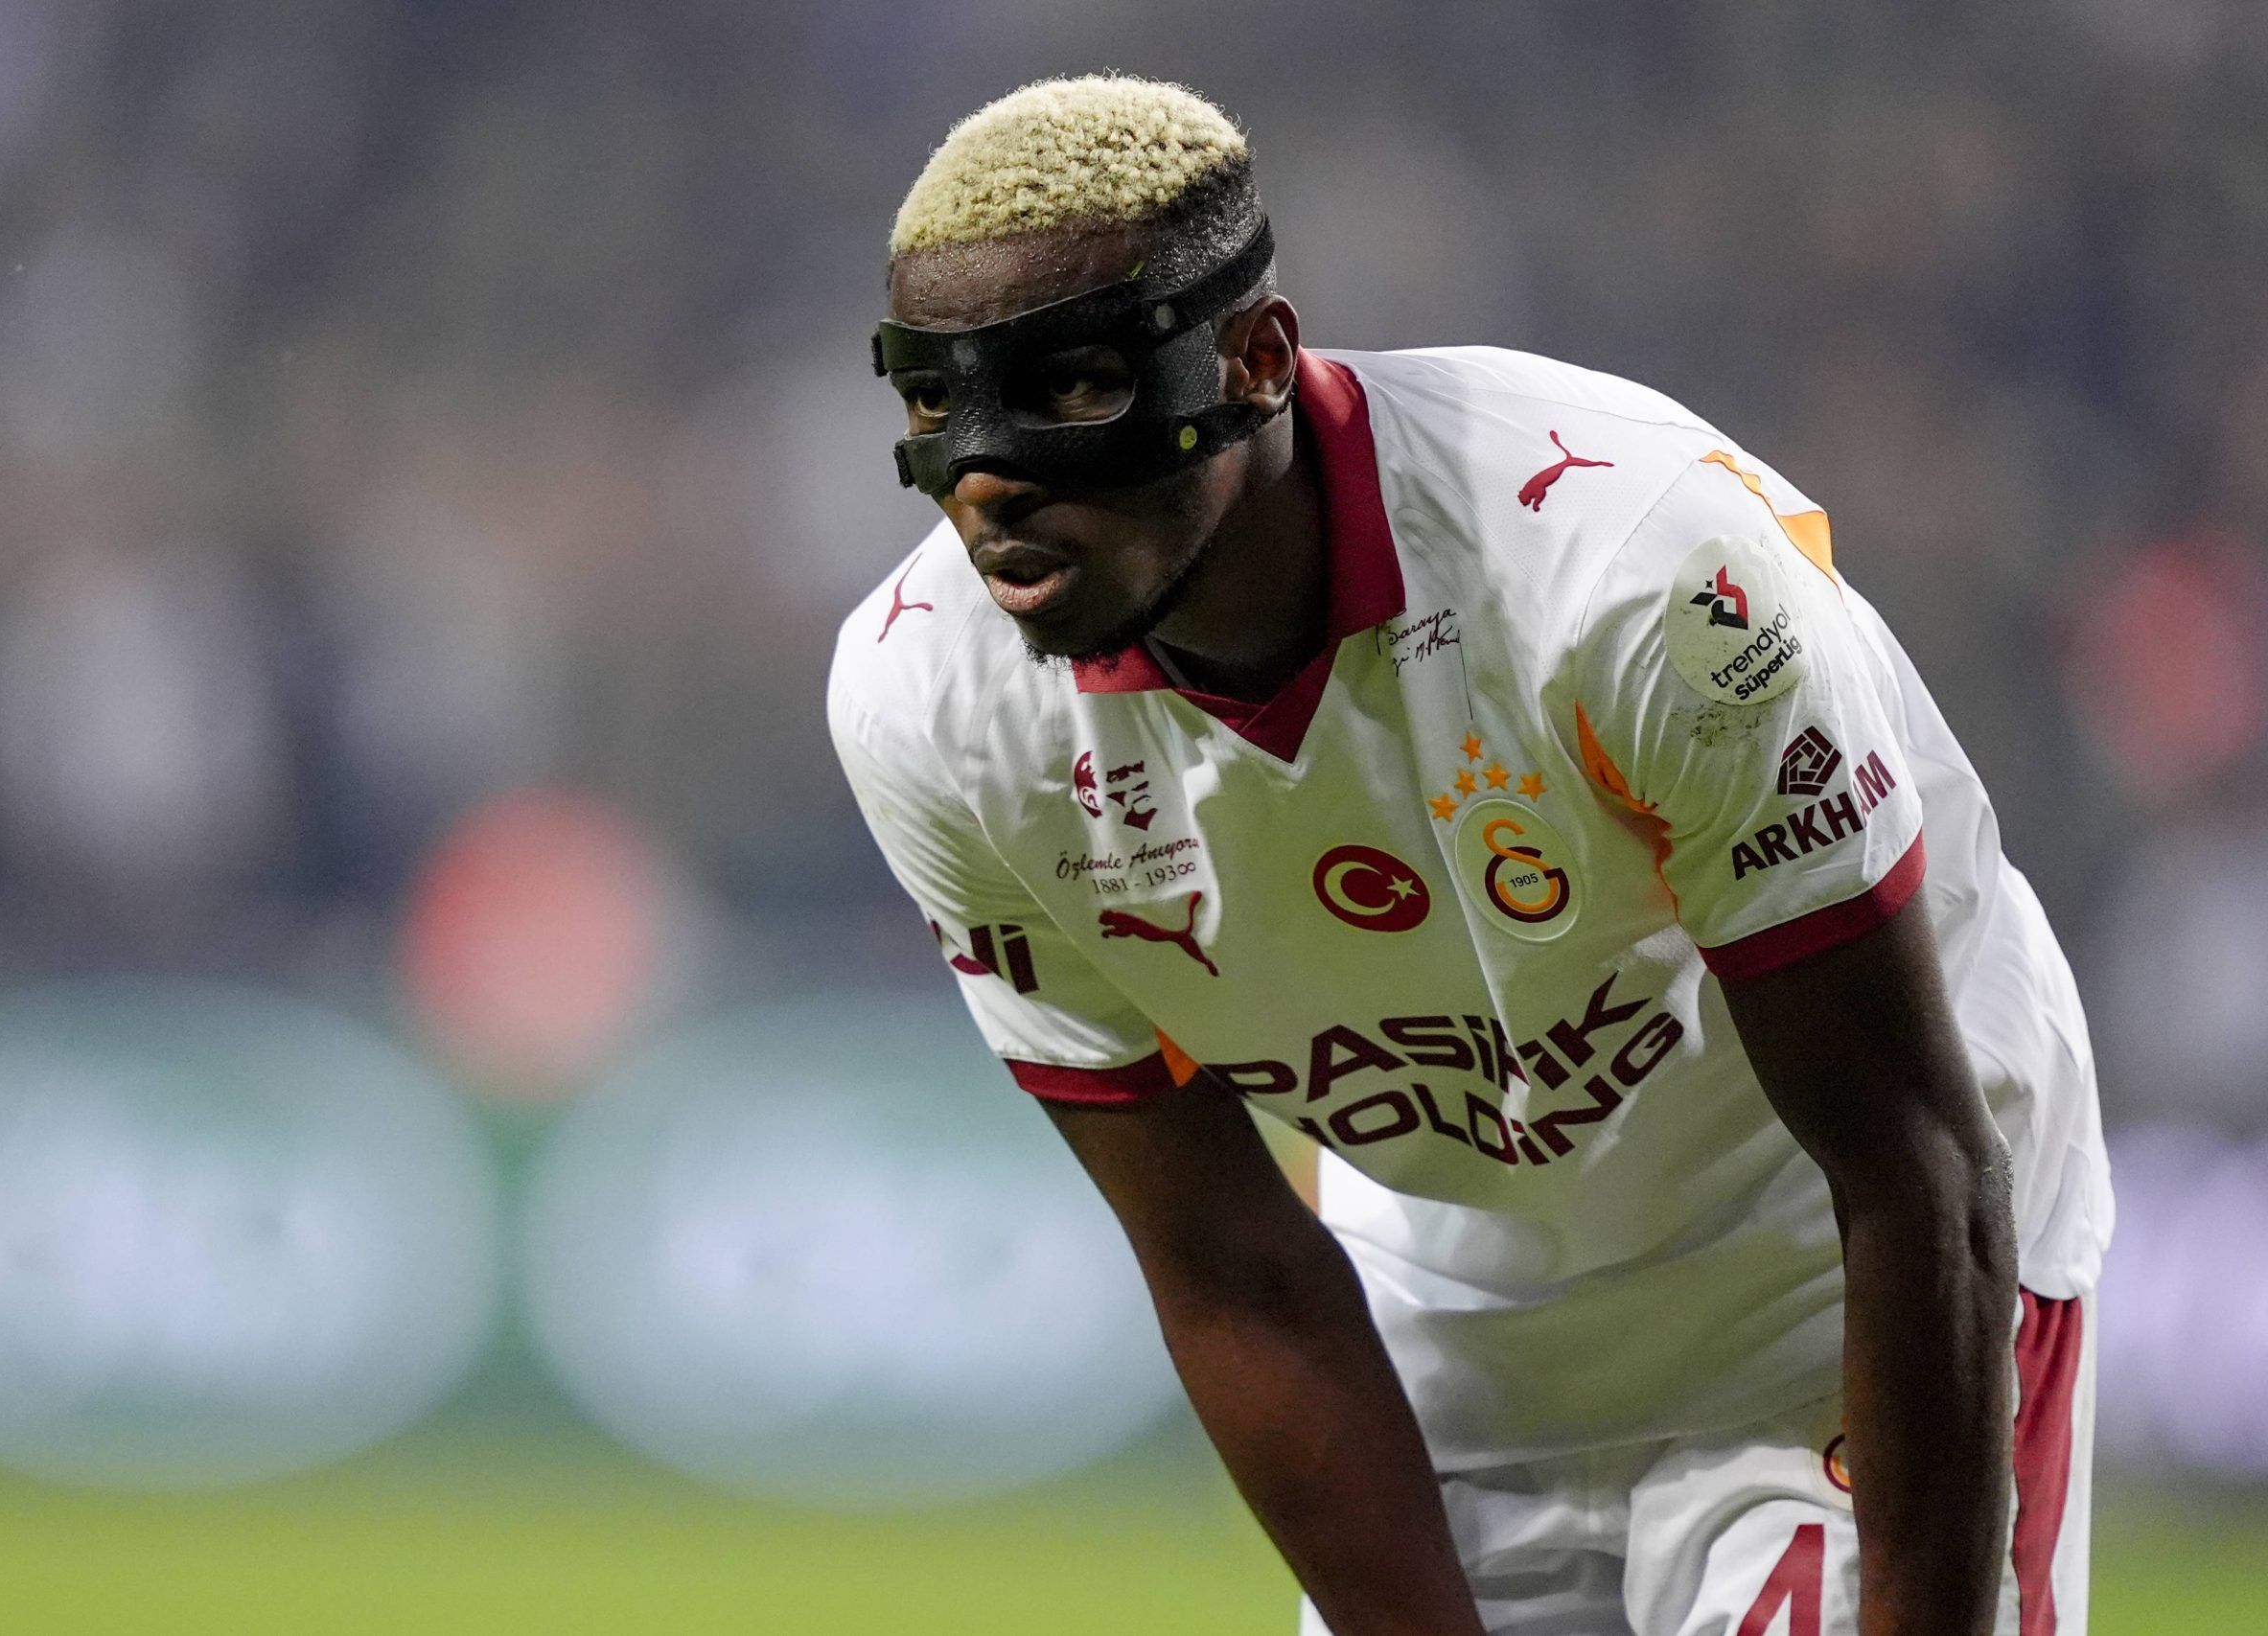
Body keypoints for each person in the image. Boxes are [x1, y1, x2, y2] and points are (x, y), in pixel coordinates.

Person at [827, 75, 2108, 1636]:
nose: (987, 475)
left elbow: (1913, 1167)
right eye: (935, 406)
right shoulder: (929, 706)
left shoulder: (1635, 572)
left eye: (1076, 387)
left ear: (1256, 359)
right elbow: (1231, 1269)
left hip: (1827, 1294)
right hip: (1465, 1328)